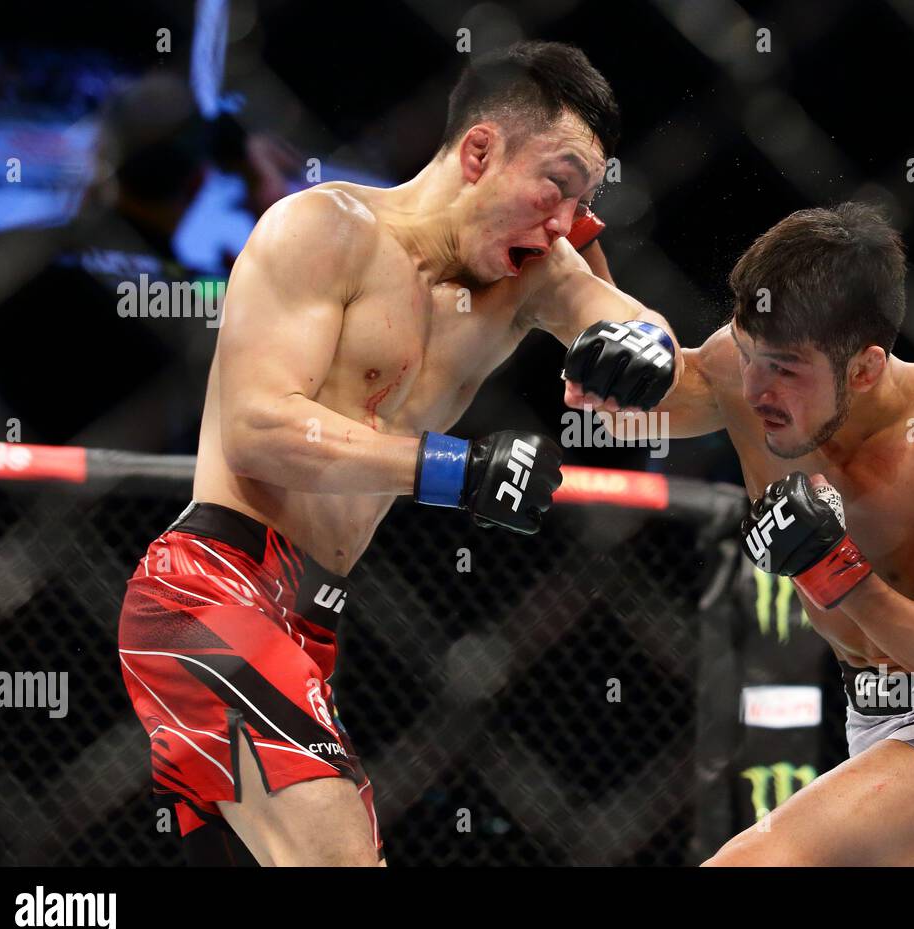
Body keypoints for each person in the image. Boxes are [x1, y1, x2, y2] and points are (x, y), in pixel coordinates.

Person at [118, 41, 682, 866]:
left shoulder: (526, 278)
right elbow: (257, 427)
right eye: (556, 186)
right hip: (213, 586)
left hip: (311, 619)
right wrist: (454, 468)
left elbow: (630, 318)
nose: (565, 222)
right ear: (481, 152)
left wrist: (647, 349)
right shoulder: (325, 229)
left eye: (584, 200)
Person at [646, 203, 914, 866]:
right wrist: (585, 310)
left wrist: (835, 571)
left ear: (865, 369)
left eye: (784, 367)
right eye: (750, 356)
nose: (755, 390)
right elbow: (633, 409)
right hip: (871, 727)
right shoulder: (743, 367)